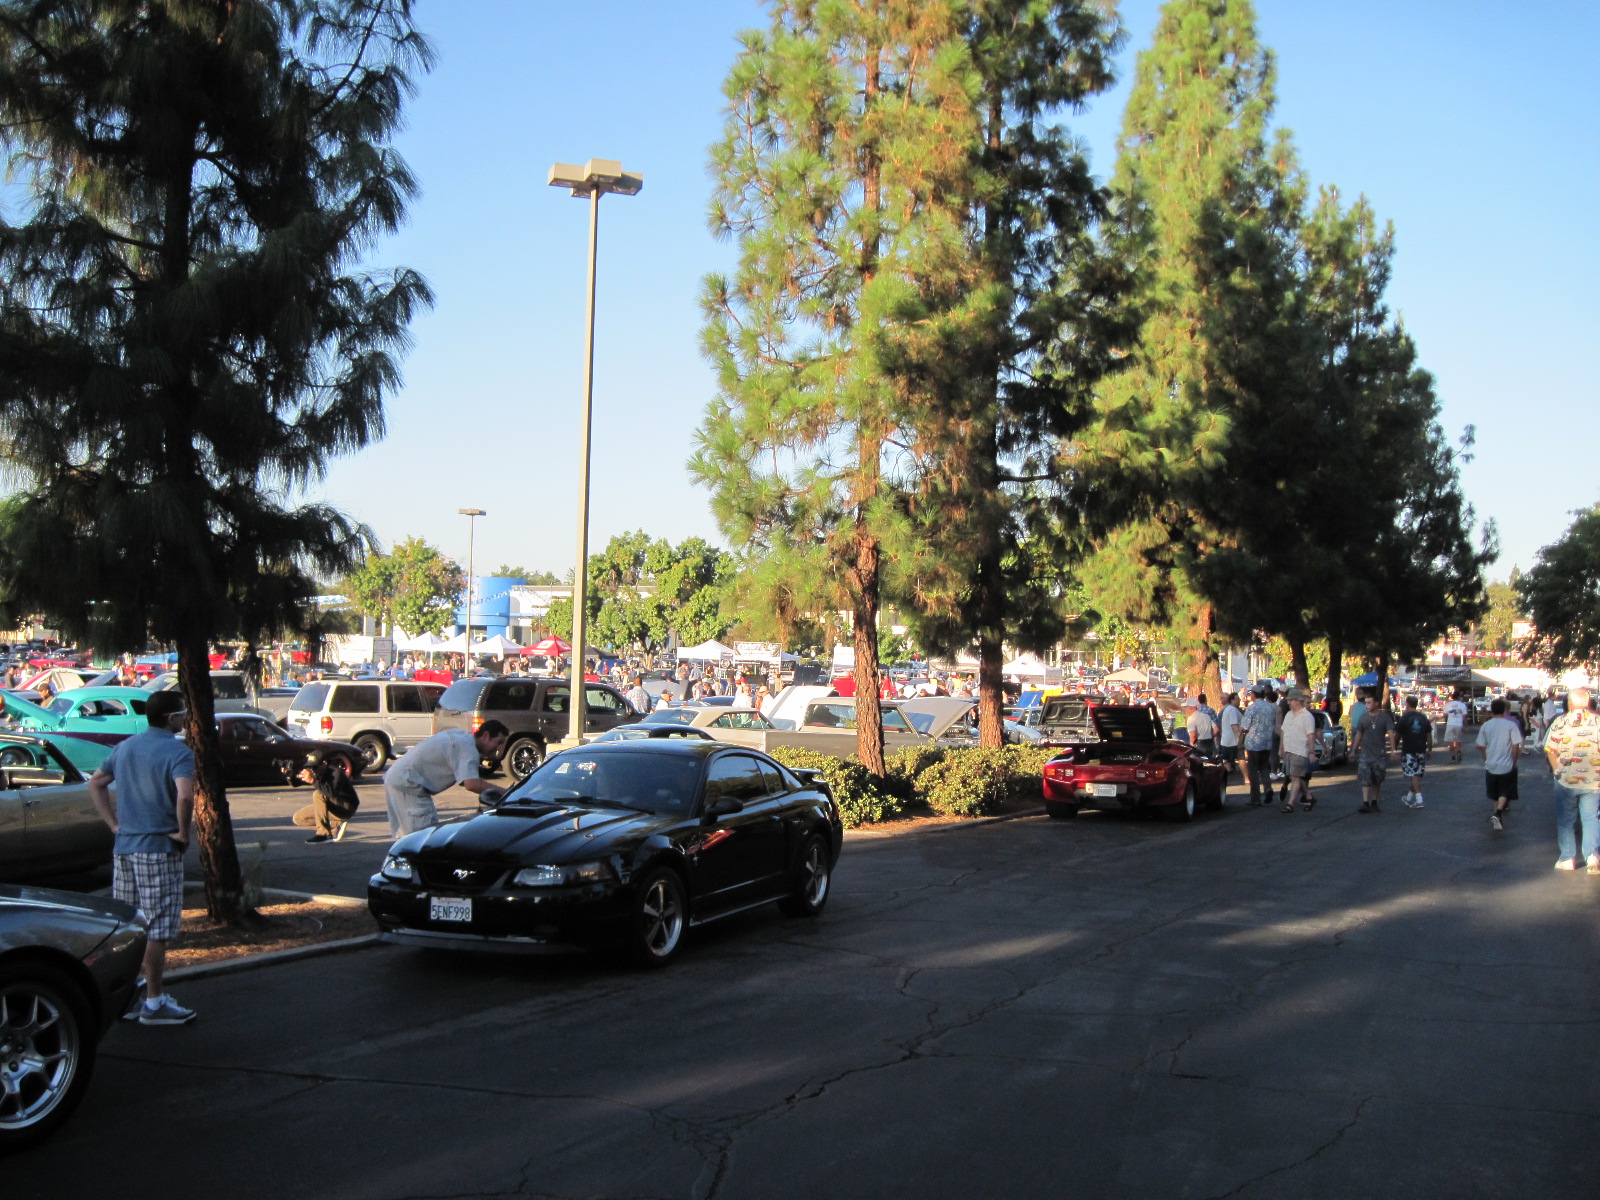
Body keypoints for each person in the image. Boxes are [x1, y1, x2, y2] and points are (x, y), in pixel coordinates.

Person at [85, 691, 198, 1026]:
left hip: (125, 850)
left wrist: (114, 825)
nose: (184, 718)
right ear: (171, 718)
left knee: (129, 927)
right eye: (182, 713)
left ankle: (127, 996)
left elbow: (96, 783)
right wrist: (182, 832)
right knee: (156, 928)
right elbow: (186, 795)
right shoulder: (178, 751)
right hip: (158, 848)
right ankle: (154, 1001)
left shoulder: (126, 747)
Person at [383, 719, 511, 836]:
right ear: (486, 736)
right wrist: (508, 794)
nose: (499, 748)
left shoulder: (463, 738)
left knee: (411, 834)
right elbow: (471, 784)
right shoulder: (467, 749)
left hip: (399, 778)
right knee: (422, 836)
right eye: (498, 742)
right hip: (408, 783)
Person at [1542, 686, 1600, 873]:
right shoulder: (1598, 721)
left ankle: (1568, 858)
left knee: (1566, 820)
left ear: (1571, 702)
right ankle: (1591, 855)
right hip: (1594, 780)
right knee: (1591, 818)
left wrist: (1557, 769)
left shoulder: (1561, 722)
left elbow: (1550, 748)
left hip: (1566, 779)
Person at [1474, 697, 1521, 832]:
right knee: (1505, 791)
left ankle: (1497, 818)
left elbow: (1481, 746)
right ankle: (1498, 813)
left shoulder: (1486, 725)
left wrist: (1486, 759)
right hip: (1506, 763)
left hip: (1491, 763)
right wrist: (1514, 760)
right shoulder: (1510, 726)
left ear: (1492, 710)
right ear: (1505, 709)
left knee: (1494, 793)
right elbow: (1515, 745)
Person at [292, 751, 361, 842]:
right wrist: (290, 776)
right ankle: (335, 825)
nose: (313, 770)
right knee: (298, 818)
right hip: (331, 808)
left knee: (318, 794)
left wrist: (313, 780)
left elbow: (330, 793)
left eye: (315, 767)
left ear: (324, 763)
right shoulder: (317, 773)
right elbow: (297, 783)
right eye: (310, 767)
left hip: (346, 807)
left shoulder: (336, 773)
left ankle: (324, 834)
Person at [1351, 693, 1396, 814]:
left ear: (1376, 703)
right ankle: (1365, 803)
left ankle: (1375, 801)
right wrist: (1353, 750)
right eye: (1366, 702)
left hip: (1379, 754)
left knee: (1377, 778)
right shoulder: (1364, 718)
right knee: (1365, 777)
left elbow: (1391, 733)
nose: (1367, 705)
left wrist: (1393, 750)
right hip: (1365, 753)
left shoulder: (1384, 717)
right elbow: (1359, 734)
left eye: (1369, 702)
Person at [1277, 688, 1319, 811]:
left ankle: (1290, 804)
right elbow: (1283, 732)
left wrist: (1311, 752)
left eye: (1291, 700)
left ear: (1298, 701)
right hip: (1289, 749)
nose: (1289, 703)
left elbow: (1311, 735)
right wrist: (1281, 748)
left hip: (1300, 750)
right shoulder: (1289, 715)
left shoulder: (1307, 716)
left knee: (1295, 777)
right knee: (1294, 776)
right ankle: (1309, 796)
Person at [1395, 695, 1434, 809]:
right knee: (1417, 774)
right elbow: (1429, 735)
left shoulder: (1404, 717)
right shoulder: (1423, 717)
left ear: (1407, 704)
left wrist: (1395, 748)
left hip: (1409, 749)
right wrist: (1429, 749)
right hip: (1421, 748)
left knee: (1413, 774)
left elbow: (1397, 734)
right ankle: (1409, 797)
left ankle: (1419, 799)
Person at [1218, 692, 1242, 780]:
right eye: (1237, 699)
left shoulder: (1228, 709)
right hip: (1232, 740)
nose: (1239, 701)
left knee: (1226, 756)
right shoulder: (1232, 710)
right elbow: (1234, 724)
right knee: (1239, 756)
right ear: (1231, 700)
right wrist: (1240, 737)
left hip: (1226, 739)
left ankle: (1229, 769)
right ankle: (1231, 770)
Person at [1442, 692, 1468, 762]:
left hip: (1450, 724)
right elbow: (1465, 716)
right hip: (1459, 724)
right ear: (1459, 697)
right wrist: (1466, 726)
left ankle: (1453, 757)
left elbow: (1444, 715)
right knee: (1458, 740)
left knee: (1451, 741)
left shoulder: (1448, 705)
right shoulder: (1462, 705)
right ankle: (1459, 751)